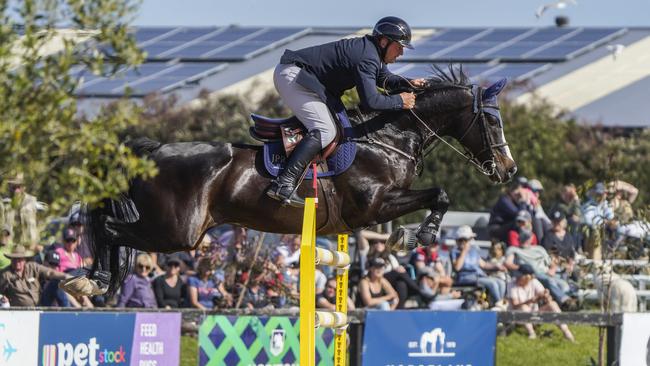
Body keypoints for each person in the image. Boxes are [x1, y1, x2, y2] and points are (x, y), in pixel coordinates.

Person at [266, 16, 426, 207]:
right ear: (384, 41)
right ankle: (283, 182)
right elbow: (371, 102)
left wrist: (407, 82)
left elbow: (384, 78)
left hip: (304, 78)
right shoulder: (366, 56)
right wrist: (399, 101)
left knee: (333, 126)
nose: (401, 53)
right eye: (399, 46)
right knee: (325, 130)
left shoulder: (370, 52)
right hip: (294, 76)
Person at [504, 230, 576, 311]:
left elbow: (551, 263)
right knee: (549, 281)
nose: (525, 239)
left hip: (547, 273)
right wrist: (523, 269)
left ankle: (567, 304)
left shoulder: (539, 249)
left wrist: (552, 269)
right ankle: (565, 301)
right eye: (523, 237)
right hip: (531, 274)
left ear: (531, 239)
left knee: (563, 285)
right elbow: (508, 263)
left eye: (527, 237)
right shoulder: (513, 249)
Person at [507, 264, 575, 342]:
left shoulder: (534, 282)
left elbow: (546, 296)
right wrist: (530, 301)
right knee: (523, 307)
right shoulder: (511, 284)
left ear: (528, 277)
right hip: (517, 317)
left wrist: (546, 295)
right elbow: (514, 305)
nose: (517, 278)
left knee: (553, 304)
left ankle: (567, 333)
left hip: (534, 315)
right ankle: (531, 333)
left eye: (519, 276)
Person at [450, 226, 507, 305]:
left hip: (479, 276)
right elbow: (457, 267)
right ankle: (499, 303)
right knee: (492, 283)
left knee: (501, 282)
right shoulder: (455, 252)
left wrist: (496, 266)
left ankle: (498, 303)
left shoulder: (474, 251)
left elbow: (483, 265)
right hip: (466, 277)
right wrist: (464, 252)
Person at [0, 245, 70, 306]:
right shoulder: (5, 274)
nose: (17, 262)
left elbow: (50, 272)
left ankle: (68, 313)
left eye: (20, 259)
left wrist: (66, 276)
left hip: (40, 304)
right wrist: (3, 298)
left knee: (56, 282)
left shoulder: (32, 266)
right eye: (14, 259)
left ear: (24, 260)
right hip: (19, 310)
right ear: (11, 260)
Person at [0, 173, 40, 251]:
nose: (16, 190)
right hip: (10, 246)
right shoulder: (4, 202)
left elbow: (38, 223)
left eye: (18, 186)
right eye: (13, 187)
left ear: (24, 187)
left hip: (29, 246)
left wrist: (36, 243)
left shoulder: (32, 201)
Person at [581, 182, 615, 260]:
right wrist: (605, 222)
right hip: (590, 233)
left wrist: (610, 222)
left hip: (605, 232)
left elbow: (611, 218)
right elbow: (589, 221)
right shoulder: (588, 205)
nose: (601, 196)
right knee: (596, 233)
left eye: (603, 194)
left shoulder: (606, 204)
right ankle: (596, 262)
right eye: (599, 194)